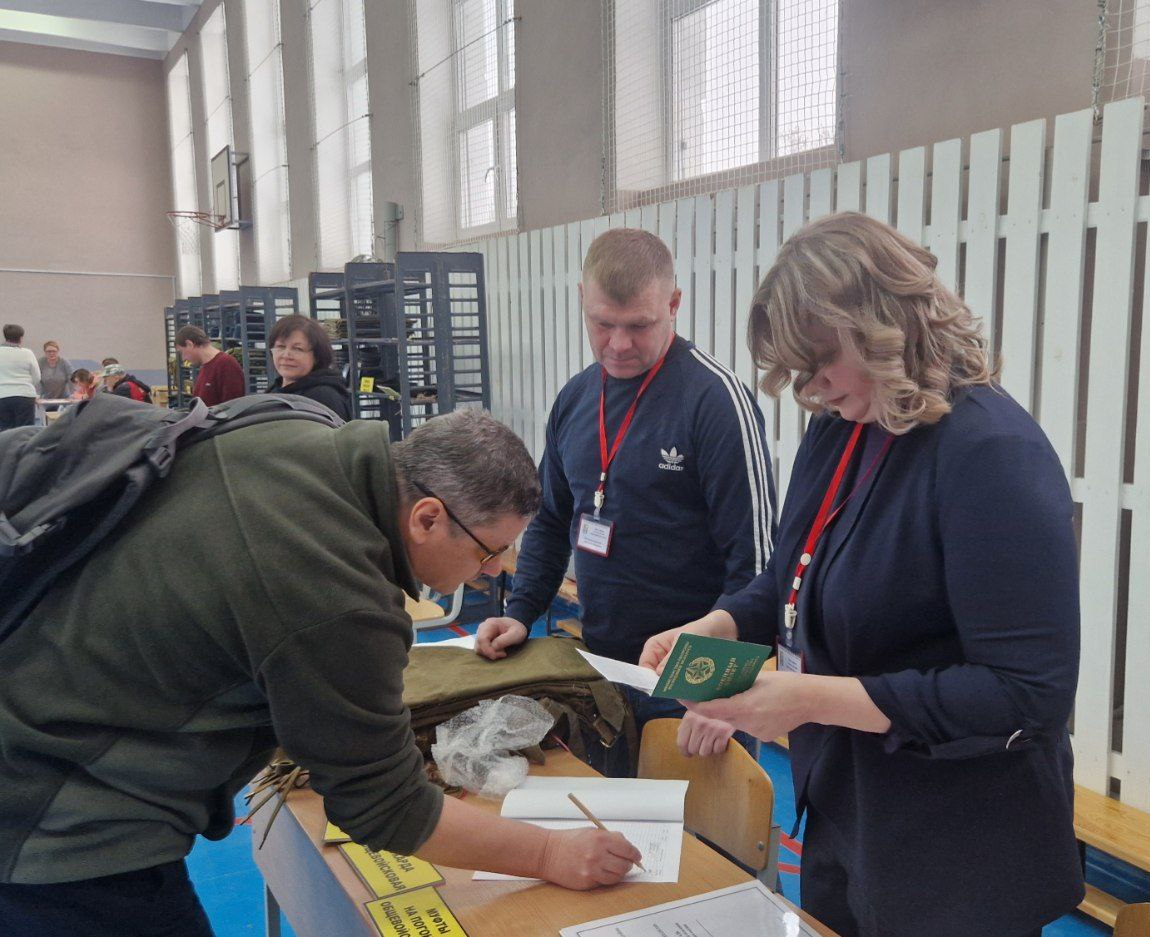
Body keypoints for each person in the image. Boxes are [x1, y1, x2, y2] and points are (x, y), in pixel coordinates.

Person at [0, 408, 641, 935]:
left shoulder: (293, 426)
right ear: (427, 518)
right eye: (490, 551)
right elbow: (388, 808)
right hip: (57, 815)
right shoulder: (339, 594)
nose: (495, 570)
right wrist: (551, 851)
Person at [641, 213, 1084, 937]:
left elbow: (1026, 694)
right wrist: (721, 625)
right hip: (850, 810)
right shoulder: (845, 423)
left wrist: (811, 697)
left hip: (960, 851)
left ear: (886, 325)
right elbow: (796, 574)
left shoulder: (990, 450)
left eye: (822, 362)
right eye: (800, 372)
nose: (813, 389)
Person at [475, 228, 776, 772]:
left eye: (638, 326)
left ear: (673, 304)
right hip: (600, 673)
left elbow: (756, 567)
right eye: (602, 324)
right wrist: (521, 612)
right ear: (582, 300)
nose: (617, 344)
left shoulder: (716, 402)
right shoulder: (575, 399)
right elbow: (551, 521)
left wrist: (720, 685)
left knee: (699, 830)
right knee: (610, 824)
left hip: (689, 686)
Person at [266, 314, 352, 420]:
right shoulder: (274, 390)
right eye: (281, 347)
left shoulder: (323, 397)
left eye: (298, 349)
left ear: (316, 355)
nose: (286, 355)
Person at [176, 325, 245, 406]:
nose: (183, 358)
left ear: (190, 344)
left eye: (182, 352)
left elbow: (234, 408)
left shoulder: (227, 365)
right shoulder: (205, 367)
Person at [0, 324, 41, 431]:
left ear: (5, 336)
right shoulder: (28, 353)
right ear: (21, 338)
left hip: (2, 396)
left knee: (4, 431)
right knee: (25, 431)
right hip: (25, 395)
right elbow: (37, 377)